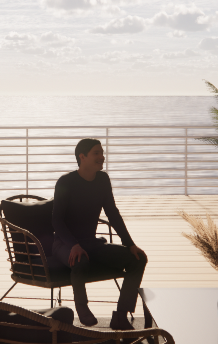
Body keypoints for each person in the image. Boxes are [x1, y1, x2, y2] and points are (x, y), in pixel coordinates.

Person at [50, 138, 149, 330]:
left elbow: (112, 213)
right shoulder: (65, 182)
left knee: (138, 259)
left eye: (102, 153)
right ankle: (82, 307)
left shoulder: (103, 180)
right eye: (97, 153)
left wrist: (130, 244)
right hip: (63, 244)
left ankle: (121, 316)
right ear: (82, 156)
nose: (102, 157)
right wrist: (73, 245)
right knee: (80, 260)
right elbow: (57, 221)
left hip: (91, 243)